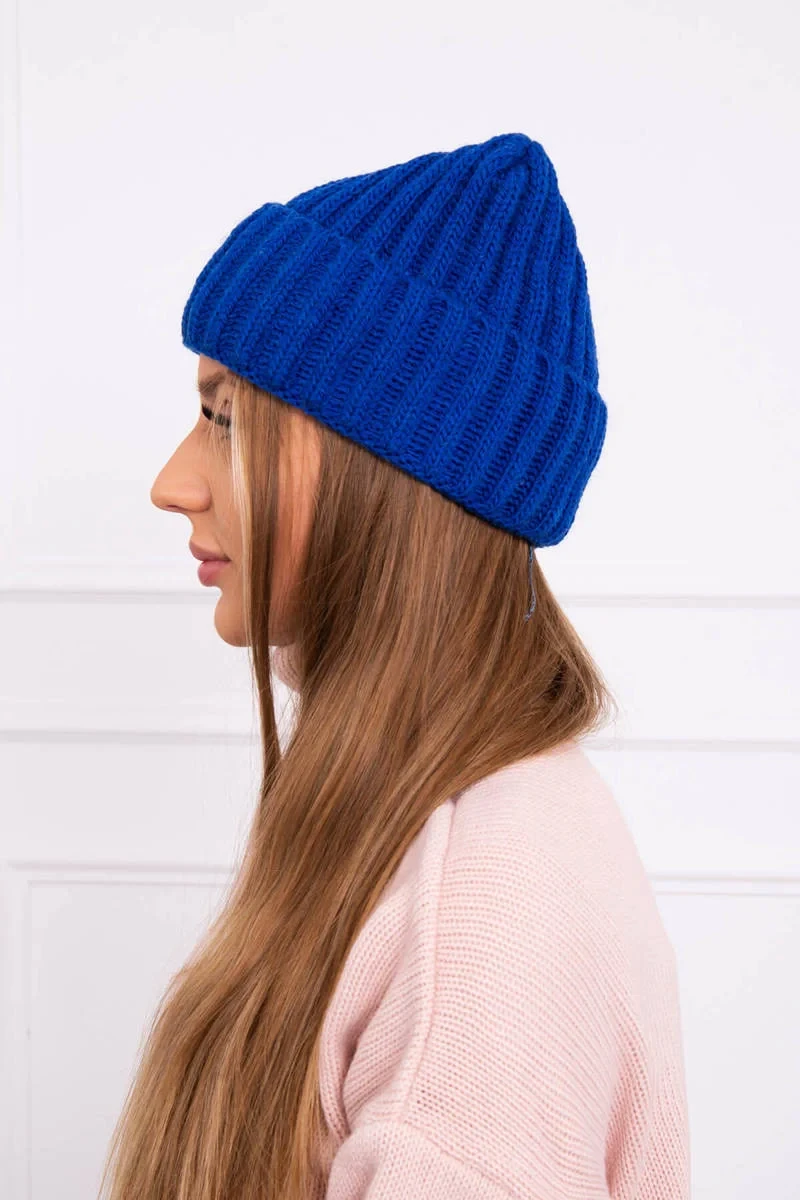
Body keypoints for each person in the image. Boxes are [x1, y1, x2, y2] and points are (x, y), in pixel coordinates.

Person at [101, 132, 690, 1200]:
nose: (171, 483)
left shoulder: (476, 917)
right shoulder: (446, 812)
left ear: (385, 474)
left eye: (226, 421)